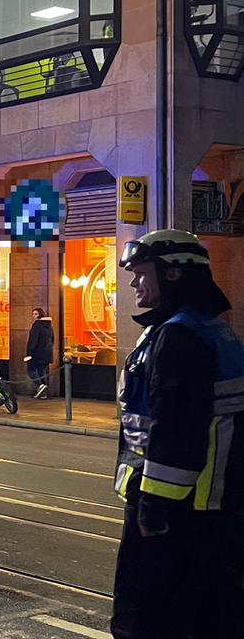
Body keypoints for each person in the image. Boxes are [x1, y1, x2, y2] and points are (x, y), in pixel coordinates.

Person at [112, 229, 244, 639]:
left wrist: (154, 508)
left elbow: (176, 430)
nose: (133, 282)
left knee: (147, 620)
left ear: (172, 274)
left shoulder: (179, 336)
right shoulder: (208, 329)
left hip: (177, 514)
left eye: (140, 273)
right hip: (211, 511)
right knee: (210, 616)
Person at [24, 307, 55, 399]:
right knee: (42, 372)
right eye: (33, 314)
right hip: (46, 353)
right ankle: (43, 393)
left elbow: (33, 341)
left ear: (40, 315)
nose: (33, 316)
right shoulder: (49, 326)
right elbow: (52, 340)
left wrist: (29, 353)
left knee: (31, 371)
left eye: (36, 314)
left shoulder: (37, 325)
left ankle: (40, 385)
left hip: (36, 353)